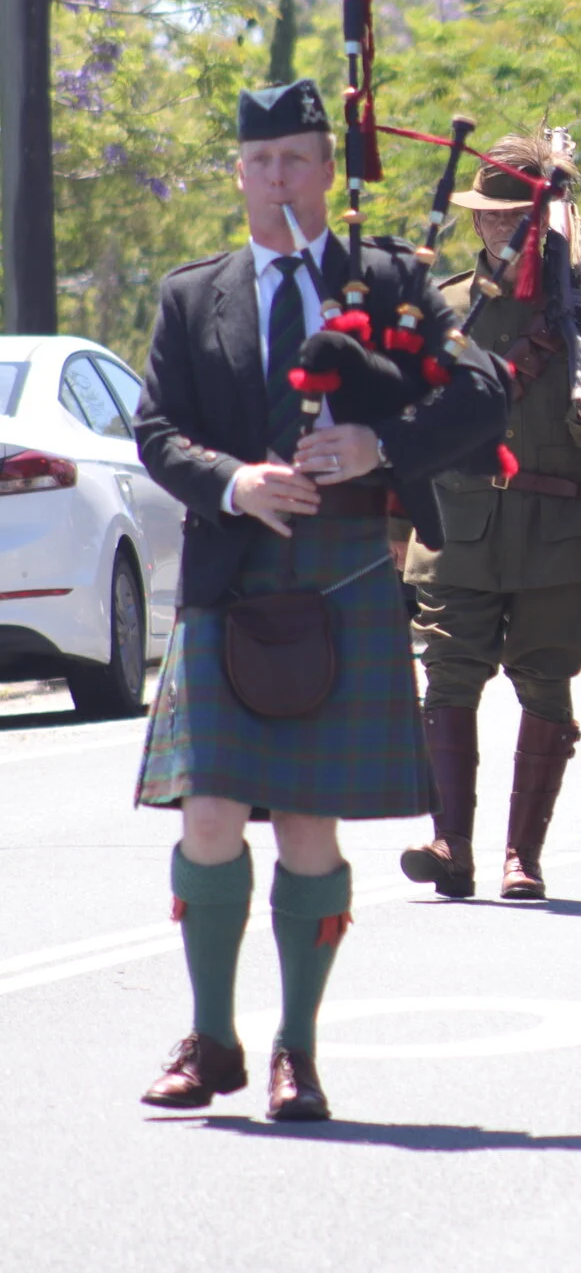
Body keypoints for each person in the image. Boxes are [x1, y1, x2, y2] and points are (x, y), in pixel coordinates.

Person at [133, 79, 507, 1120]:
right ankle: (212, 1037)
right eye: (259, 162)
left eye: (296, 158)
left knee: (306, 824)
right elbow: (155, 430)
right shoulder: (190, 292)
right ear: (239, 173)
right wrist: (232, 481)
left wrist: (380, 443)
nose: (277, 179)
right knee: (208, 813)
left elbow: (483, 393)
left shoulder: (386, 279)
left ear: (328, 168)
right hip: (231, 573)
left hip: (343, 570)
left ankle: (297, 1047)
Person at [400, 133, 581, 905]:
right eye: (492, 217)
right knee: (447, 676)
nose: (504, 228)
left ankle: (521, 855)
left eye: (517, 215)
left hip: (553, 527)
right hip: (460, 523)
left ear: (547, 220)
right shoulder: (448, 305)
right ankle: (451, 843)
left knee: (544, 682)